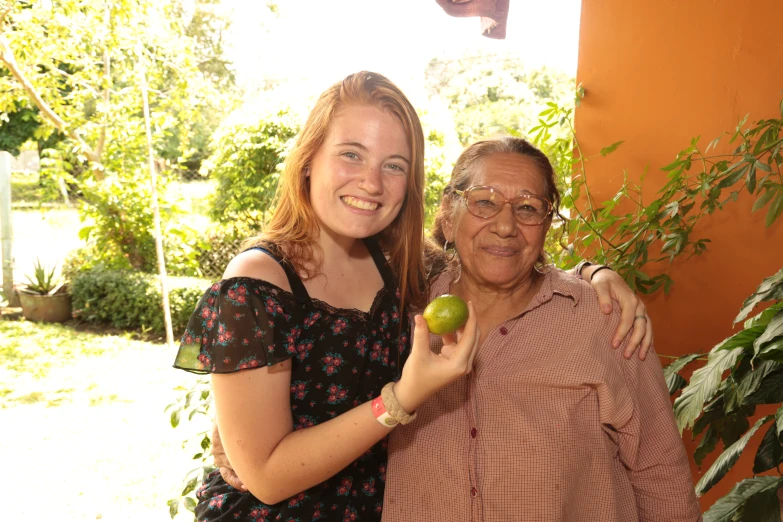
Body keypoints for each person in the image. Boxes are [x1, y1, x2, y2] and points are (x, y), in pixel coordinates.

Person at [174, 72, 654, 522]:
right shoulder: (255, 284)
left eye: (394, 165)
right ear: (308, 159)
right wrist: (402, 398)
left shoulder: (403, 265)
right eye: (351, 154)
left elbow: (500, 258)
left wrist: (594, 273)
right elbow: (266, 477)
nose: (371, 182)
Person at [382, 137, 701, 522]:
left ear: (547, 224)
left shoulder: (602, 320)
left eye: (529, 208)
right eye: (484, 201)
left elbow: (659, 472)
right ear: (449, 212)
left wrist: (591, 272)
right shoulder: (398, 310)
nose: (505, 226)